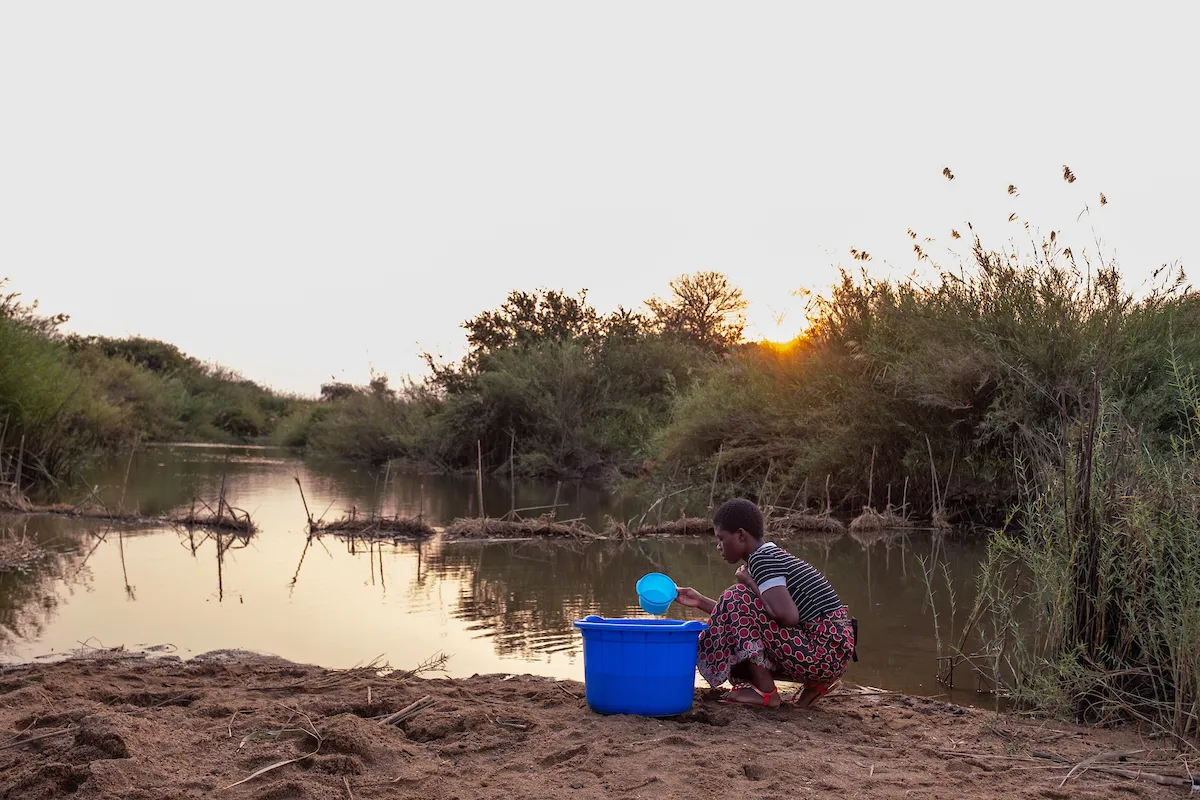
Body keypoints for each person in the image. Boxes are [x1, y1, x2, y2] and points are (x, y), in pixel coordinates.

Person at [674, 498, 856, 708]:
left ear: (741, 535)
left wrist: (750, 583)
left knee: (737, 595)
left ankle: (766, 693)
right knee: (737, 600)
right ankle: (816, 684)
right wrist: (699, 601)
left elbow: (787, 617)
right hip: (833, 653)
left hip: (823, 655)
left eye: (721, 538)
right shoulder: (769, 555)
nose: (719, 546)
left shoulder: (763, 560)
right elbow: (754, 618)